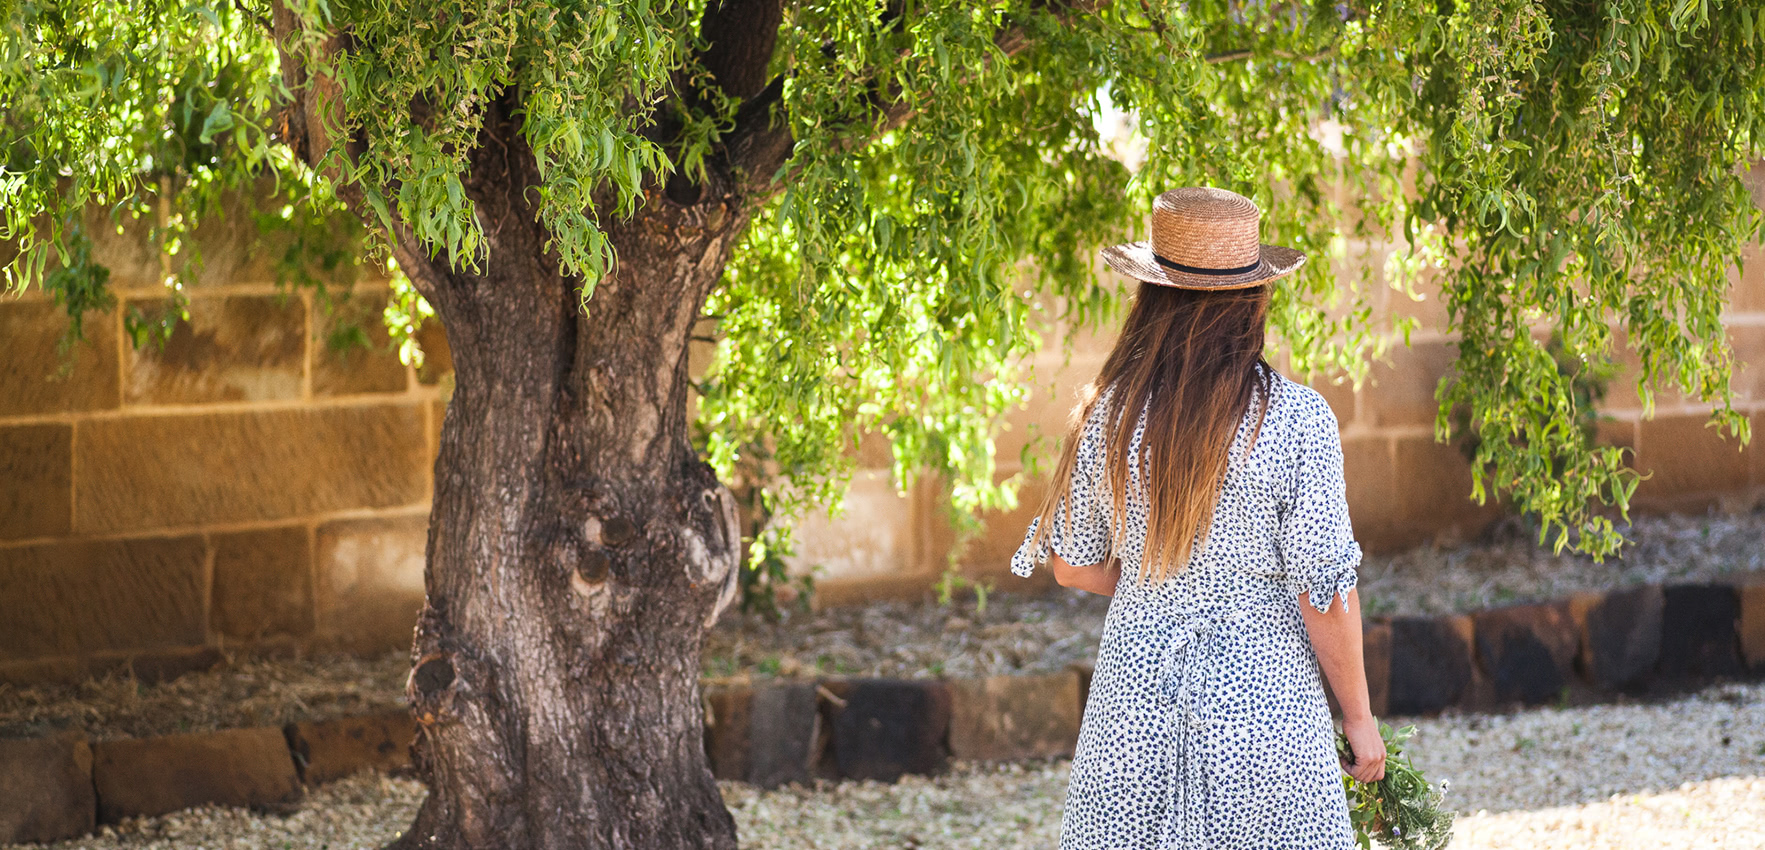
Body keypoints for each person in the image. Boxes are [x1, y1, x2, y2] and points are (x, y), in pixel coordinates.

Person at [1011, 186, 1386, 849]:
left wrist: (1166, 583)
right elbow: (1322, 591)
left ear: (1150, 297)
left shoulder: (1107, 414)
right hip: (1263, 712)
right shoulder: (1297, 420)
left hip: (1132, 707)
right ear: (1254, 296)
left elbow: (1072, 566)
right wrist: (1358, 719)